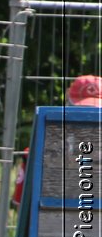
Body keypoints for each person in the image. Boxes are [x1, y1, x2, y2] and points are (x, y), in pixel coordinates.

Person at [14, 76, 102, 206]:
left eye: (96, 112)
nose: (88, 118)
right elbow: (22, 206)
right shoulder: (35, 155)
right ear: (68, 106)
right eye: (81, 110)